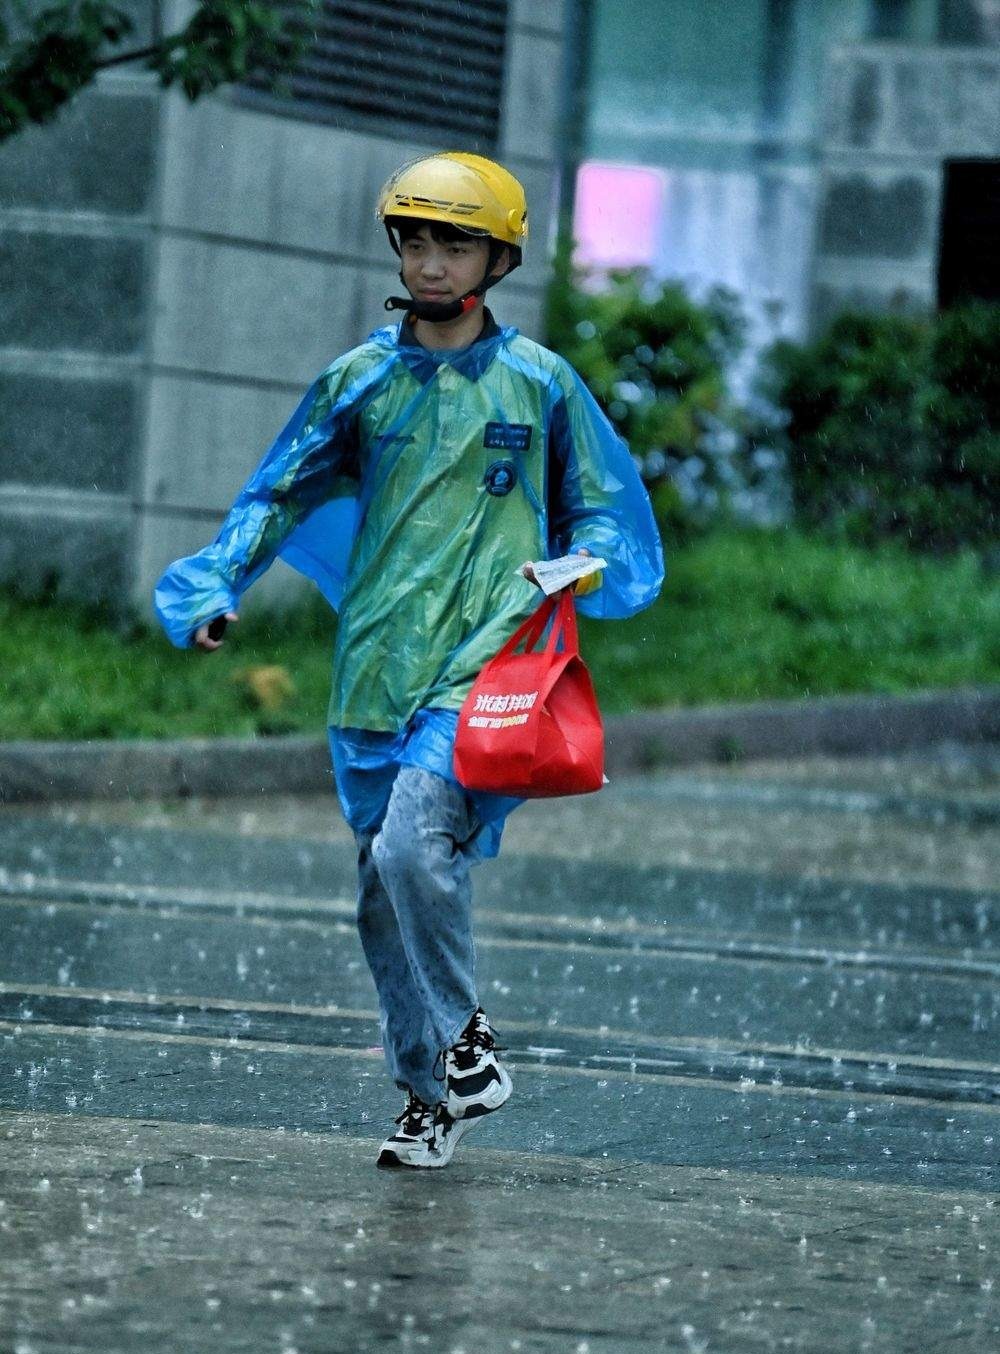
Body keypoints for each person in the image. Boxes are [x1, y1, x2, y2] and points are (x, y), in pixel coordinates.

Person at [154, 152, 664, 1169]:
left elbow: (609, 511)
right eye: (417, 240)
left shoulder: (542, 385)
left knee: (408, 844)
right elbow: (275, 495)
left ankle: (467, 1040)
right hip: (374, 667)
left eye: (455, 242)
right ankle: (426, 1096)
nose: (432, 262)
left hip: (486, 669)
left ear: (497, 255)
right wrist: (213, 585)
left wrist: (581, 565)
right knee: (383, 892)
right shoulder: (358, 382)